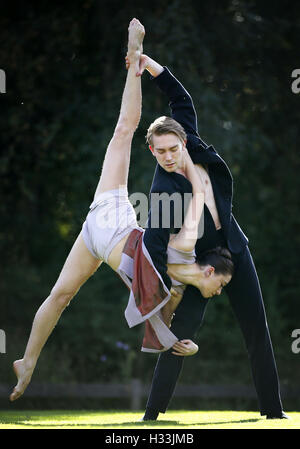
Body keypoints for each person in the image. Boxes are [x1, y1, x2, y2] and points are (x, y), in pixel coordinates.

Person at [9, 19, 233, 402]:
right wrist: (144, 66)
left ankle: (28, 361)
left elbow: (155, 314)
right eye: (221, 285)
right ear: (210, 270)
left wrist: (177, 339)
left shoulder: (177, 288)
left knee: (61, 296)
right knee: (123, 130)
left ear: (180, 145)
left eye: (171, 150)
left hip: (98, 231)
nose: (217, 292)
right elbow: (178, 106)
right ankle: (132, 60)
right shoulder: (180, 266)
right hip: (111, 211)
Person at [126, 53, 287, 420]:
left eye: (172, 148)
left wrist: (150, 65)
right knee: (179, 337)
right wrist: (168, 295)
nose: (167, 156)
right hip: (199, 265)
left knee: (257, 329)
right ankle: (152, 415)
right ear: (152, 151)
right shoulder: (163, 191)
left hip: (235, 247)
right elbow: (152, 247)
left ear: (183, 141)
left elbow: (181, 99)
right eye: (160, 151)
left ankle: (273, 413)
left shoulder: (192, 141)